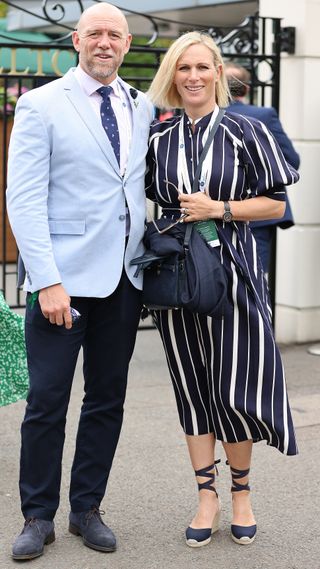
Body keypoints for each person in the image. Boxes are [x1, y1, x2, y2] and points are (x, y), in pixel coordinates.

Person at [6, 2, 153, 561]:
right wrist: (47, 280)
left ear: (127, 45)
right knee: (46, 401)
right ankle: (37, 516)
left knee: (106, 399)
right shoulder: (41, 104)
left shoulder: (141, 107)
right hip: (62, 282)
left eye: (115, 35)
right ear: (76, 40)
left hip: (123, 278)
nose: (105, 42)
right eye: (95, 33)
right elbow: (23, 198)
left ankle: (86, 508)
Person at [146, 31, 299, 548]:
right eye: (183, 68)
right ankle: (205, 496)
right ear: (173, 75)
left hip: (234, 271)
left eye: (202, 68)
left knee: (233, 387)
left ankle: (241, 494)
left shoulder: (245, 129)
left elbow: (276, 205)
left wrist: (220, 209)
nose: (192, 77)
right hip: (180, 277)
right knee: (192, 387)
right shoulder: (158, 140)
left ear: (217, 73)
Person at [225, 61, 300, 274]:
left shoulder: (204, 116)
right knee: (253, 281)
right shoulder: (264, 115)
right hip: (259, 211)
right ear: (247, 88)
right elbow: (291, 161)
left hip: (213, 210)